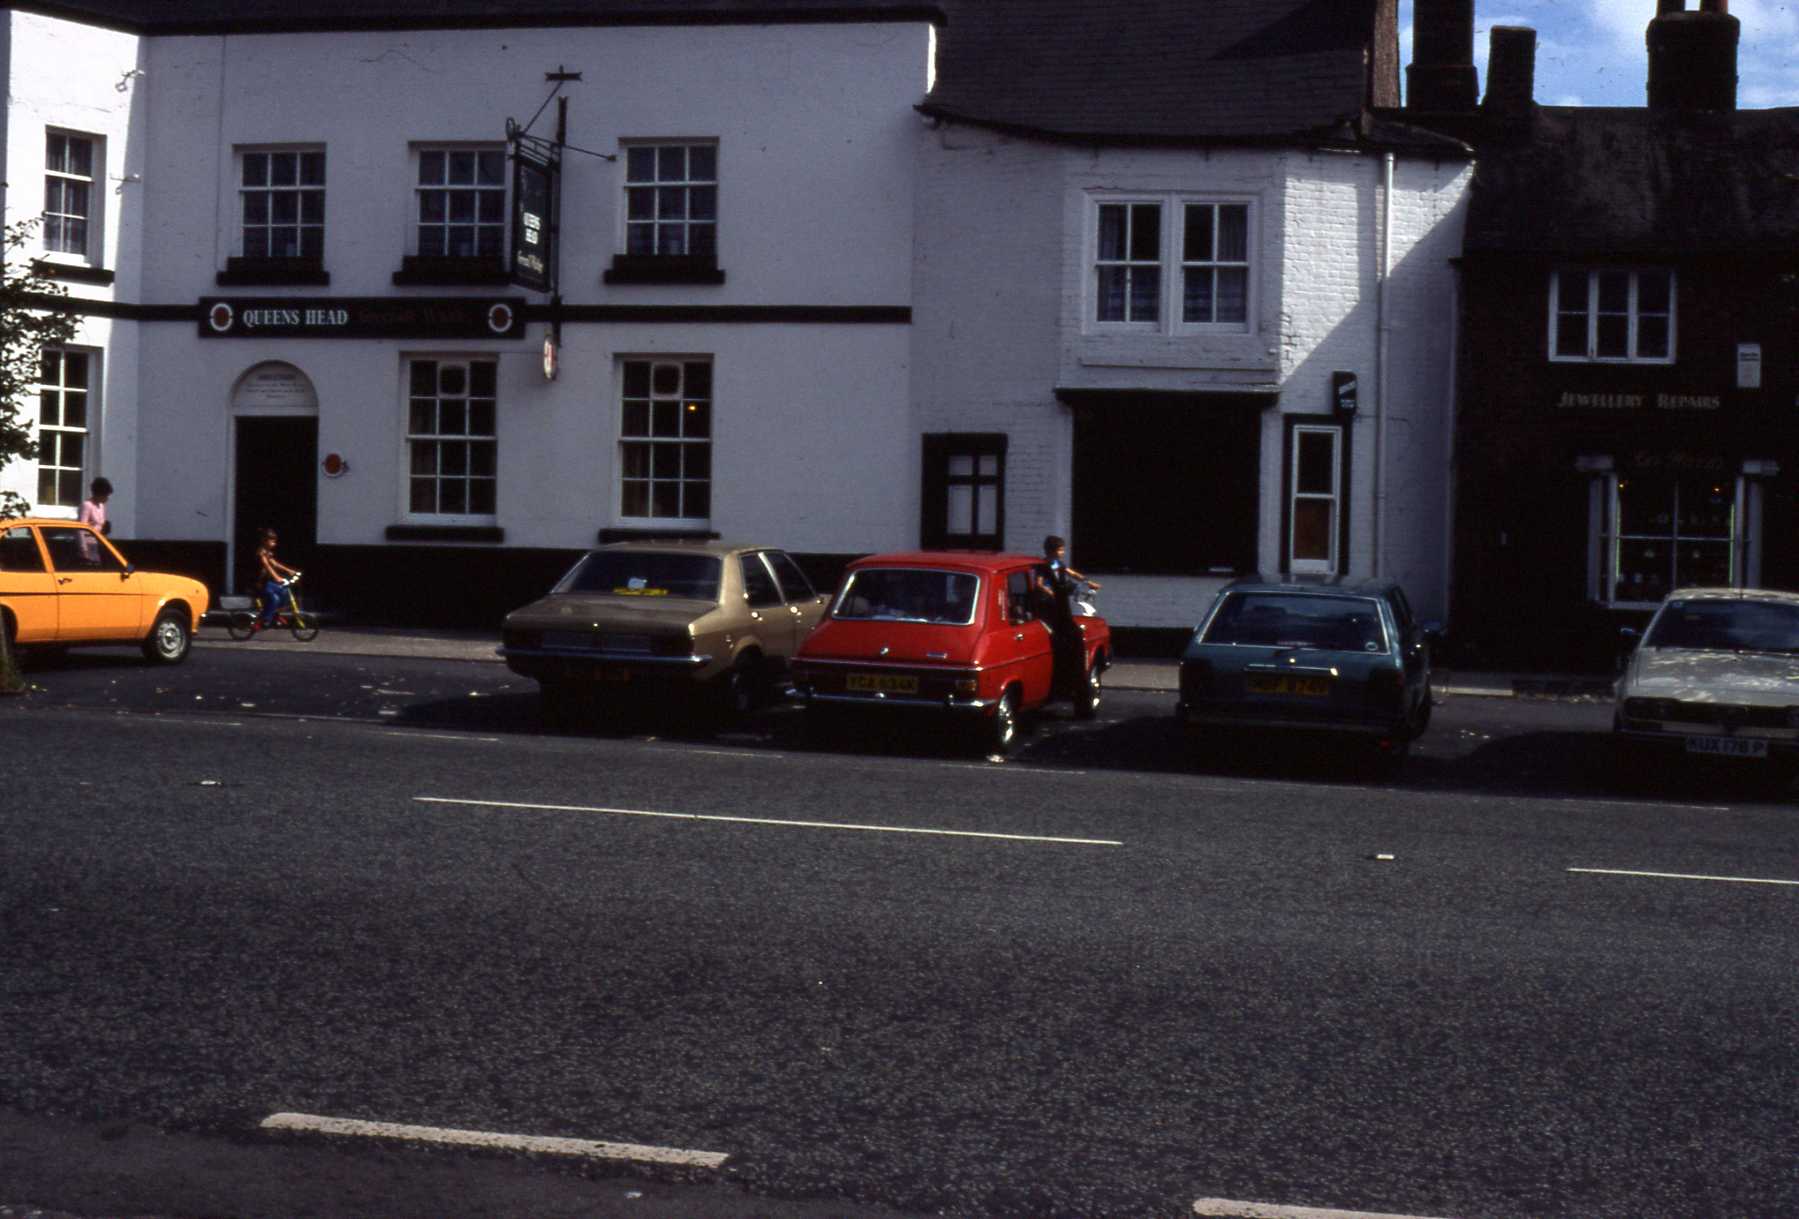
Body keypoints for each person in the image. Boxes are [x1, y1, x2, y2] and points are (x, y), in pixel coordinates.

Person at [1037, 535, 1098, 695]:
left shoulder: (1058, 564)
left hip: (1059, 603)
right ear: (1051, 551)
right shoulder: (1043, 566)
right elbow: (1039, 584)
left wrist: (1087, 581)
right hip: (1048, 604)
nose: (1063, 552)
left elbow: (1072, 573)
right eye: (1060, 549)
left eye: (1063, 549)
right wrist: (1050, 592)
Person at [254, 528, 300, 630]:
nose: (274, 543)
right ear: (265, 541)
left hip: (266, 582)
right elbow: (267, 566)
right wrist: (277, 577)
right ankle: (265, 620)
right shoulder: (261, 552)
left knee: (284, 592)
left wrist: (289, 570)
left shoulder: (268, 552)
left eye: (275, 541)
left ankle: (275, 614)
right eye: (272, 541)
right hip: (259, 584)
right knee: (274, 599)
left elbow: (275, 564)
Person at [77, 477, 112, 565]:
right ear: (99, 494)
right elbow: (80, 528)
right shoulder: (87, 505)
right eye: (106, 495)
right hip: (87, 544)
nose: (107, 498)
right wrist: (83, 549)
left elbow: (101, 524)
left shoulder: (101, 506)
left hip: (97, 544)